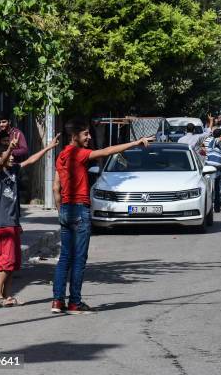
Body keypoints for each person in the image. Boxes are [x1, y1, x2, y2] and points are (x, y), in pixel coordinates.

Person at [51, 119, 152, 314]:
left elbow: (56, 187)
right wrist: (135, 143)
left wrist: (61, 209)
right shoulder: (79, 154)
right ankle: (74, 302)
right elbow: (107, 152)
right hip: (79, 209)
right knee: (79, 258)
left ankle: (57, 301)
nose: (89, 137)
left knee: (65, 257)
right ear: (75, 137)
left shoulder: (62, 155)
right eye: (85, 134)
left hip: (65, 209)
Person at [0, 132, 60, 307]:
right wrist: (10, 147)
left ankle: (7, 295)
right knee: (6, 262)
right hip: (2, 224)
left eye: (12, 154)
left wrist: (49, 147)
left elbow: (31, 160)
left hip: (13, 223)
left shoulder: (14, 170)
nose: (12, 157)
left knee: (14, 262)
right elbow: (0, 164)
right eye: (8, 155)